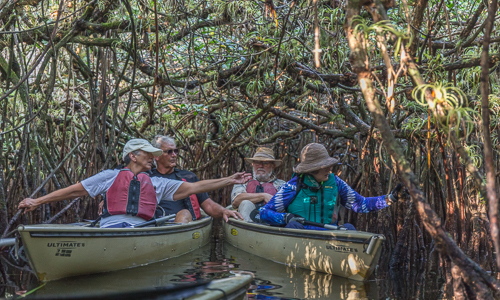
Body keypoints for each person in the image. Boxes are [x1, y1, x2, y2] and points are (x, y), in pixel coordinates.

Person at [18, 138, 251, 228]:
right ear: (133, 156)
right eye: (147, 153)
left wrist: (229, 179)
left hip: (140, 230)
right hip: (110, 227)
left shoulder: (157, 183)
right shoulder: (110, 176)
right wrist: (37, 201)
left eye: (153, 153)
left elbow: (196, 188)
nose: (152, 157)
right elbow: (73, 192)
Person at [259, 143, 400, 230]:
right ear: (311, 169)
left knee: (349, 228)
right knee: (292, 226)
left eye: (329, 165)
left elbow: (361, 204)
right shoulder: (292, 186)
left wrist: (390, 198)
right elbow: (264, 212)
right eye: (324, 166)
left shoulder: (336, 183)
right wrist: (286, 218)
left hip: (328, 235)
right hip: (301, 236)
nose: (329, 169)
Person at [151, 135, 242, 223]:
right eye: (169, 152)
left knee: (185, 213)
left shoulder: (188, 176)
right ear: (157, 155)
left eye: (176, 151)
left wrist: (223, 211)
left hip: (182, 224)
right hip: (156, 224)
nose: (174, 155)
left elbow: (208, 205)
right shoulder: (148, 178)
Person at [231, 147, 286, 222]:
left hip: (272, 224)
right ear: (253, 164)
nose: (260, 166)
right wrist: (264, 196)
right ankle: (248, 231)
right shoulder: (243, 181)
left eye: (265, 163)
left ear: (273, 166)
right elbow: (236, 201)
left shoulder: (282, 184)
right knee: (245, 203)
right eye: (257, 162)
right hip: (247, 223)